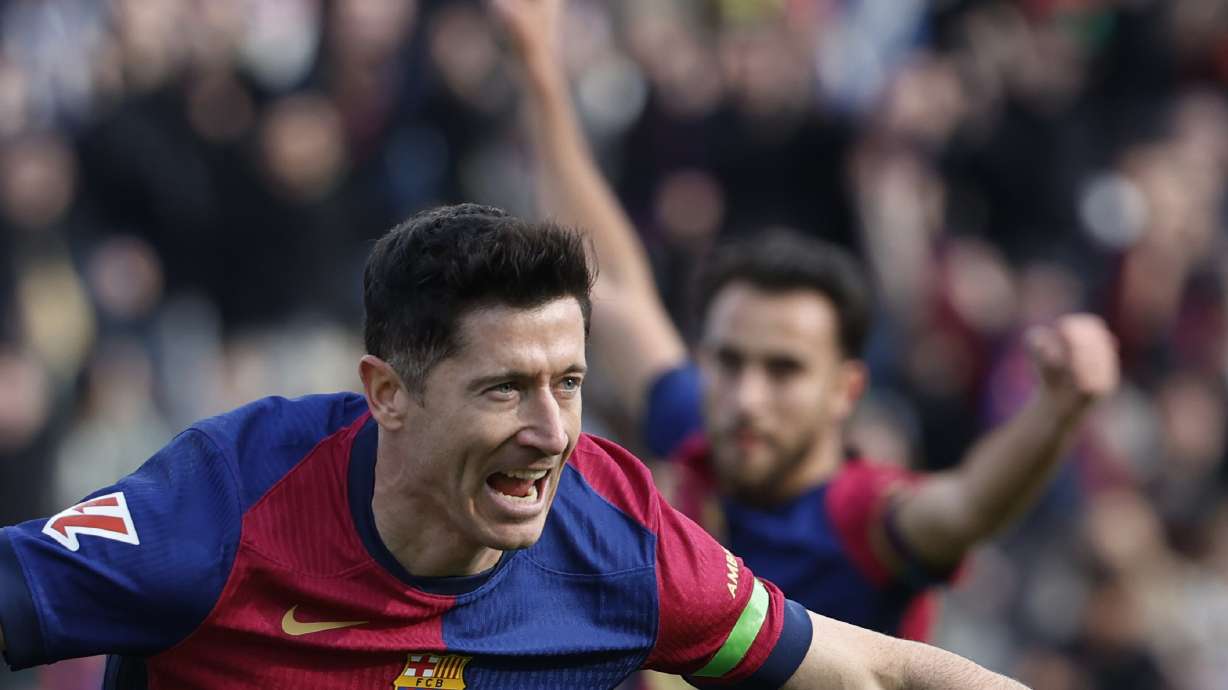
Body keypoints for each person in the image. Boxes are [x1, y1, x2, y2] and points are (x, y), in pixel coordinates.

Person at [0, 204, 1025, 689]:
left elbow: (875, 676)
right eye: (504, 389)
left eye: (569, 384)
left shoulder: (618, 542)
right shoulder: (222, 514)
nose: (550, 435)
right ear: (387, 394)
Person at [494, 0, 1119, 642]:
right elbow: (613, 283)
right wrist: (539, 70)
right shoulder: (699, 428)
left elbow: (967, 505)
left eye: (783, 369)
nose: (746, 396)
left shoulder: (859, 519)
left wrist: (1058, 411)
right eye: (728, 361)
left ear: (845, 390)